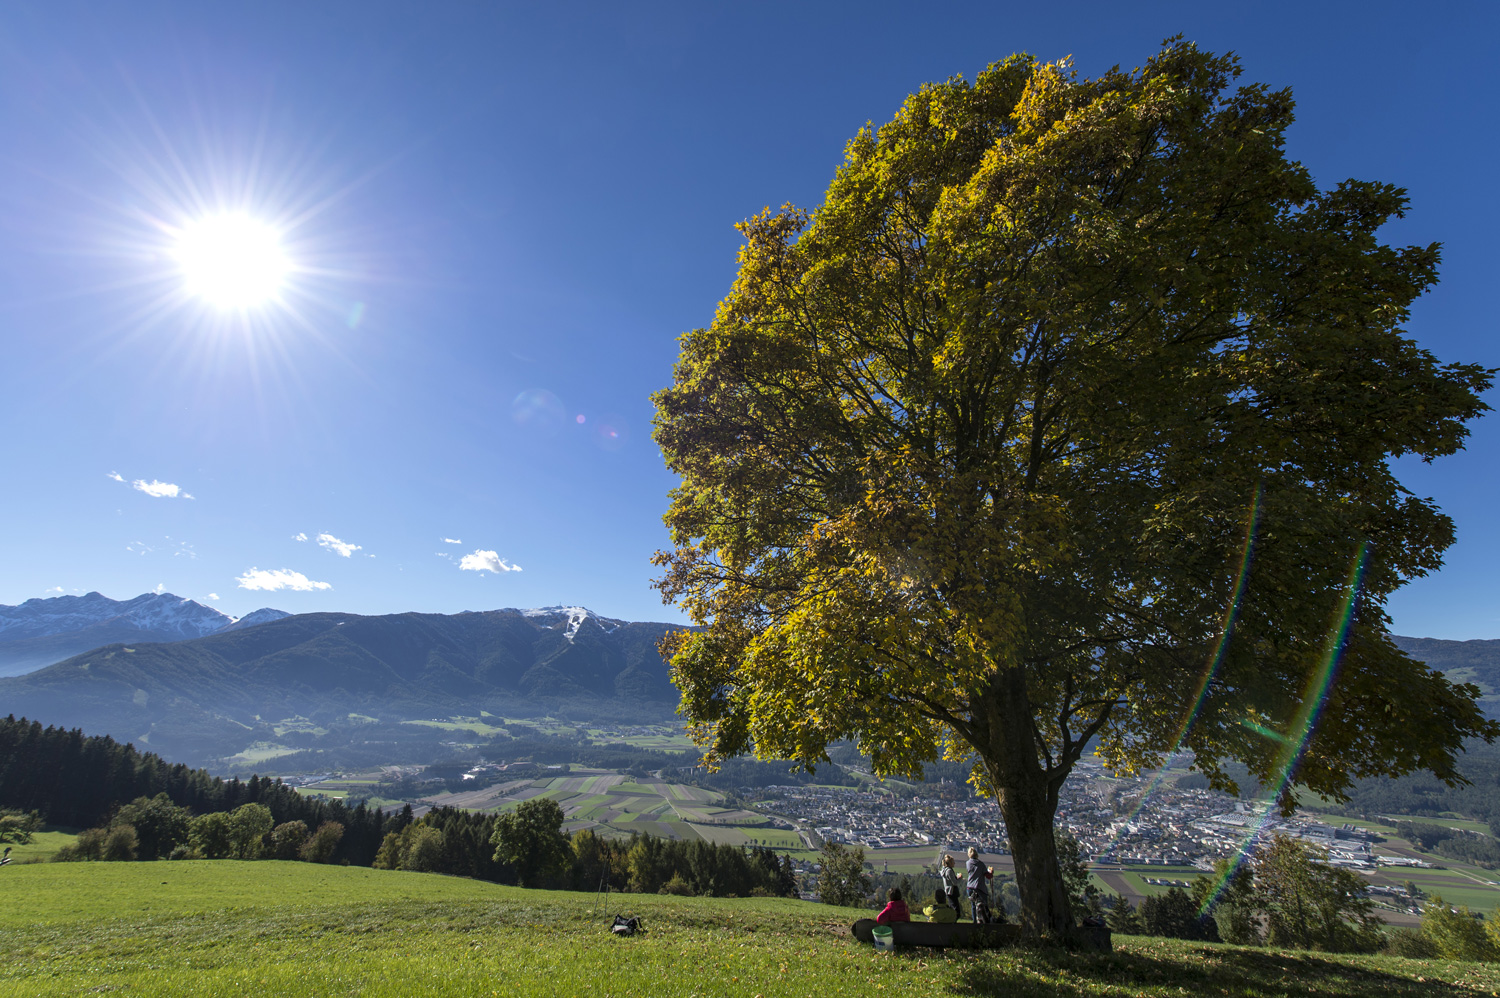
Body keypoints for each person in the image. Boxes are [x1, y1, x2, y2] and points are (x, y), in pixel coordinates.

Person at [965, 846, 994, 923]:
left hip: (970, 887)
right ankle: (986, 921)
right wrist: (991, 872)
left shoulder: (967, 863)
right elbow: (988, 876)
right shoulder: (981, 864)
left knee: (973, 906)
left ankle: (975, 922)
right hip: (979, 887)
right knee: (984, 905)